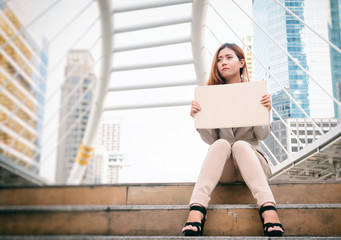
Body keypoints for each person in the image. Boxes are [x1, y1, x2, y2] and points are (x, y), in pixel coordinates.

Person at [182, 43, 285, 237]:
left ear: (241, 63)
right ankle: (197, 208)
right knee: (221, 143)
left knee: (240, 145)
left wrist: (264, 111)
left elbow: (262, 136)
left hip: (253, 161)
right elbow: (211, 140)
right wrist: (199, 118)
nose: (223, 62)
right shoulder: (211, 95)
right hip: (226, 168)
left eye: (229, 57)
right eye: (219, 59)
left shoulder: (255, 92)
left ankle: (268, 208)